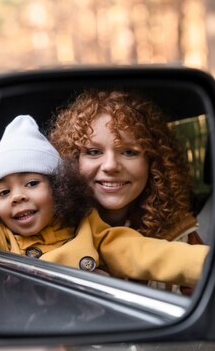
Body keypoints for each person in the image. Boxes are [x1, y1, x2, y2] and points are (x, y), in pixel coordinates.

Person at [0, 114, 207, 287]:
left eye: (32, 183)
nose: (19, 195)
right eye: (3, 192)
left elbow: (141, 252)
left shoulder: (87, 227)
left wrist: (210, 265)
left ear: (59, 188)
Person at [49, 89, 202, 244]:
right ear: (72, 160)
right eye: (94, 152)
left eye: (129, 152)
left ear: (153, 162)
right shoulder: (46, 230)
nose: (110, 166)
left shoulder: (180, 238)